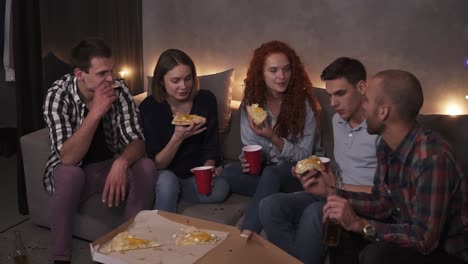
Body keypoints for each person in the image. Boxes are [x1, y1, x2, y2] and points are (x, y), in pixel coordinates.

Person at [300, 70, 468, 264]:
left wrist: (360, 224)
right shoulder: (386, 145)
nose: (361, 105)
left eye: (366, 100)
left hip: (447, 252)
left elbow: (424, 239)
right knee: (339, 225)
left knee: (377, 256)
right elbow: (383, 203)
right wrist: (332, 192)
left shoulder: (432, 159)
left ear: (383, 111)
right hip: (408, 232)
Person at [43, 38, 156, 264]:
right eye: (102, 73)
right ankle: (60, 259)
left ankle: (129, 249)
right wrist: (95, 112)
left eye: (111, 71)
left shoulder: (119, 90)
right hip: (73, 170)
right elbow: (68, 157)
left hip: (108, 165)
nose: (111, 79)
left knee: (146, 165)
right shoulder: (58, 95)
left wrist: (121, 162)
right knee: (70, 174)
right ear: (79, 74)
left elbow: (137, 140)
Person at [259, 57, 379, 264]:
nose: (333, 103)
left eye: (340, 94)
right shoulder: (337, 120)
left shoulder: (380, 128)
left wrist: (335, 187)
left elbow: (384, 193)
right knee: (269, 206)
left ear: (361, 87)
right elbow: (341, 166)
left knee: (315, 213)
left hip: (361, 201)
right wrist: (313, 171)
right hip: (333, 190)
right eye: (329, 95)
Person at [221, 40, 323, 238]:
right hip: (268, 170)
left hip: (300, 172)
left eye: (286, 70)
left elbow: (303, 156)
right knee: (228, 174)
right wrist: (248, 160)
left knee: (273, 175)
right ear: (262, 73)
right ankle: (275, 194)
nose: (281, 76)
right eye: (274, 70)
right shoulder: (251, 103)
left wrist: (272, 137)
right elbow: (250, 146)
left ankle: (247, 230)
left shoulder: (305, 104)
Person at [139, 49, 229, 213]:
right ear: (161, 81)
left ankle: (177, 193)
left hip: (194, 175)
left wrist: (209, 169)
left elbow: (211, 148)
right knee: (167, 182)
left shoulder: (206, 100)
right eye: (175, 80)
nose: (184, 86)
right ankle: (163, 227)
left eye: (188, 78)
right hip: (166, 173)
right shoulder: (149, 108)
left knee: (221, 188)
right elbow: (157, 164)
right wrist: (178, 137)